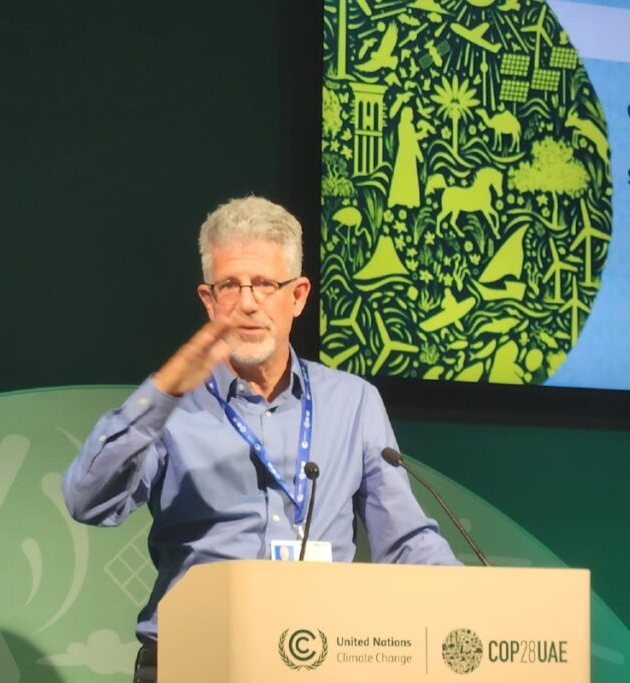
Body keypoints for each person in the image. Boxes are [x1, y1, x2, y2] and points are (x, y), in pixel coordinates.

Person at [62, 196, 459, 683]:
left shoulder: (352, 403)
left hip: (322, 663)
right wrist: (160, 394)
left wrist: (480, 609)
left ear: (297, 295)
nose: (247, 302)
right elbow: (88, 502)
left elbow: (404, 542)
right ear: (209, 300)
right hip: (193, 664)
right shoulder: (172, 407)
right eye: (230, 285)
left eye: (265, 284)